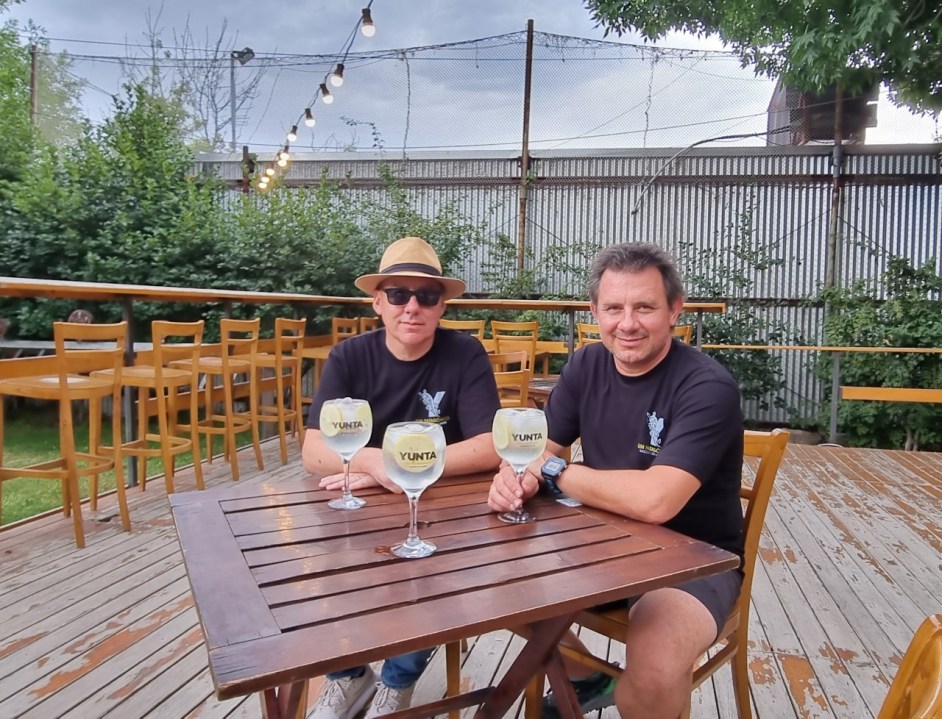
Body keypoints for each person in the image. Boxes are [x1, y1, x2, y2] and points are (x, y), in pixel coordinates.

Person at [488, 242, 744, 719]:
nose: (627, 323)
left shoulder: (707, 387)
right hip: (598, 542)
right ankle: (588, 678)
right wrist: (514, 477)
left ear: (674, 309)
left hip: (692, 560)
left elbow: (655, 502)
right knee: (490, 579)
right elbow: (540, 450)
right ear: (595, 312)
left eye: (644, 307)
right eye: (613, 308)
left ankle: (610, 686)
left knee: (654, 671)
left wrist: (555, 472)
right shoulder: (586, 365)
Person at [303, 235, 502, 719]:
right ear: (378, 302)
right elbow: (313, 451)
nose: (412, 306)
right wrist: (374, 464)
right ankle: (347, 675)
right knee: (325, 560)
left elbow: (491, 445)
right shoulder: (350, 356)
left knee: (430, 564)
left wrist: (397, 467)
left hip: (441, 502)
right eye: (398, 294)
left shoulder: (465, 353)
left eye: (427, 296)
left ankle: (397, 683)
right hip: (364, 502)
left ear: (442, 306)